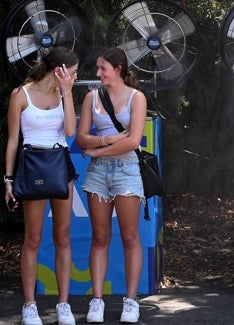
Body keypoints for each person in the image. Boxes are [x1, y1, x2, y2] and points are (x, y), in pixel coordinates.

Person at [4, 47, 79, 325]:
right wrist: (8, 179)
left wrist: (68, 92)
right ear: (58, 69)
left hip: (60, 167)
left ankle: (63, 304)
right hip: (33, 165)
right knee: (33, 238)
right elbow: (13, 140)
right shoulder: (20, 95)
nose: (75, 75)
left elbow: (70, 132)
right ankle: (30, 305)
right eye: (72, 71)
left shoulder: (63, 93)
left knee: (63, 237)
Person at [75, 47, 147, 324]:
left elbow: (134, 141)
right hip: (98, 174)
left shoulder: (137, 97)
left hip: (128, 169)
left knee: (130, 237)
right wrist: (108, 140)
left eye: (102, 68)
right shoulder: (92, 97)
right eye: (97, 68)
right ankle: (97, 300)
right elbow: (81, 138)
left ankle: (131, 300)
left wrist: (97, 151)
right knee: (100, 237)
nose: (97, 73)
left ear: (118, 69)